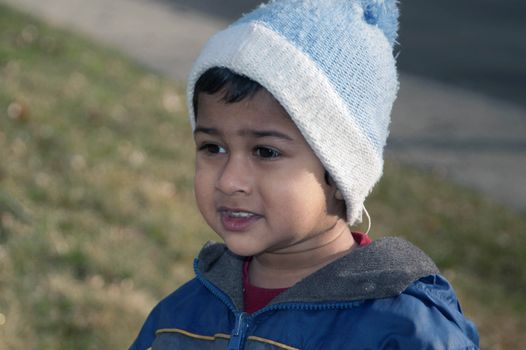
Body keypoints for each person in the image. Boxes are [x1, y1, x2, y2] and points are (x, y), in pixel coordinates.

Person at [130, 0, 480, 349]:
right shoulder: (178, 319)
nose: (229, 180)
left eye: (266, 152)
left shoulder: (403, 330)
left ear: (341, 172)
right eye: (213, 148)